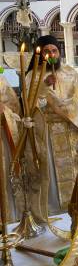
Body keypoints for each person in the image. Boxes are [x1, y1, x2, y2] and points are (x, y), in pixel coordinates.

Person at [26, 35, 78, 215]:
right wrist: (43, 86)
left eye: (54, 51)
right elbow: (28, 105)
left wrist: (65, 107)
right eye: (46, 51)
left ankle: (75, 207)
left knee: (73, 169)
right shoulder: (32, 75)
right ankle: (51, 209)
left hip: (69, 128)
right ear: (40, 55)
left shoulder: (70, 72)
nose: (51, 54)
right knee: (49, 171)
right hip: (47, 132)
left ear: (59, 52)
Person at [0, 74, 21, 221]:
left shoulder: (1, 80)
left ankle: (8, 217)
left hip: (2, 136)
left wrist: (5, 110)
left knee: (7, 175)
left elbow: (15, 108)